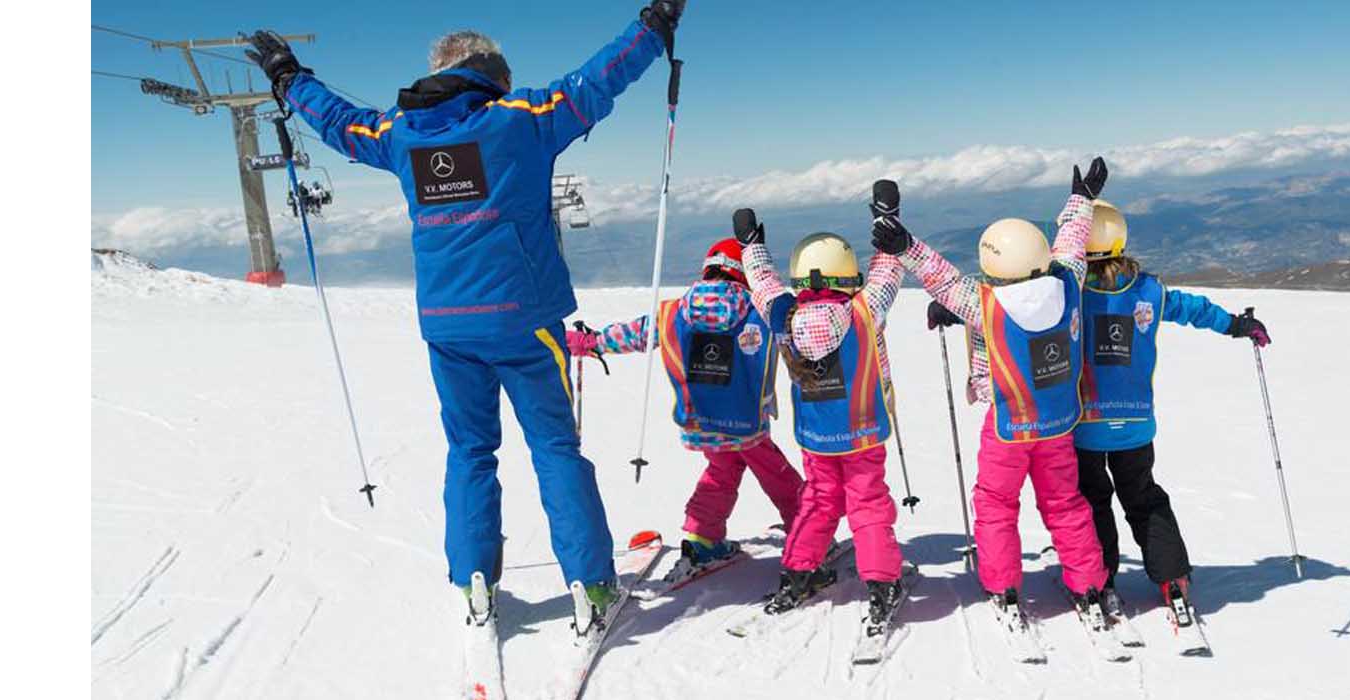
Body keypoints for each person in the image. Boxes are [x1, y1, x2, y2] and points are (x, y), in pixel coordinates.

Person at [242, 0, 686, 637]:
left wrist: (288, 77)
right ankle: (591, 584)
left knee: (471, 450)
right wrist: (653, 25)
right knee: (555, 448)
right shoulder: (520, 120)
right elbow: (596, 80)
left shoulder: (401, 133)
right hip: (524, 321)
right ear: (490, 73)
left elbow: (339, 122)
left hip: (447, 325)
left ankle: (475, 579)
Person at [879, 163, 1114, 626]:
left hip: (1007, 427)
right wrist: (1081, 199)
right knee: (1065, 504)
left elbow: (944, 280)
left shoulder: (985, 304)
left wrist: (905, 247)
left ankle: (1003, 586)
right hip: (1058, 425)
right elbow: (1070, 243)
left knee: (996, 504)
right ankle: (1089, 585)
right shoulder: (1069, 282)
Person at [1073, 199, 1270, 620]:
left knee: (1092, 500)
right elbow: (1192, 308)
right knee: (1143, 498)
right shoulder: (1149, 290)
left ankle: (1099, 578)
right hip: (1136, 424)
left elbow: (1018, 307)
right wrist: (1237, 324)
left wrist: (957, 312)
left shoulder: (1069, 291)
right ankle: (1172, 577)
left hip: (1085, 424)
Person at [566, 237, 805, 583]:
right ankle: (806, 529)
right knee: (774, 472)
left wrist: (592, 343)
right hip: (746, 423)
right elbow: (800, 331)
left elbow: (636, 334)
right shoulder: (760, 311)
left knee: (722, 470)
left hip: (701, 421)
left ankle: (703, 537)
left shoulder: (674, 312)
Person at [733, 205, 908, 629]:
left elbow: (763, 284)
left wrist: (751, 247)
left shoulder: (782, 315)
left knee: (819, 500)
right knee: (867, 503)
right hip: (863, 433)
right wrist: (888, 217)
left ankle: (798, 573)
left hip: (816, 438)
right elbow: (887, 273)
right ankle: (882, 583)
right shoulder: (864, 311)